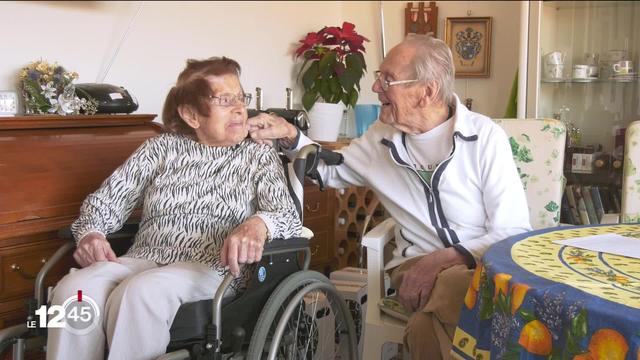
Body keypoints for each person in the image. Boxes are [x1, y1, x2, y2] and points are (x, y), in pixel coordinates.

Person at [248, 34, 532, 359]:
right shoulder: (380, 138)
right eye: (378, 77)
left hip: (482, 265)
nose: (375, 88)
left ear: (427, 91)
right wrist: (291, 135)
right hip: (412, 264)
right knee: (464, 291)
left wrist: (440, 261)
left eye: (388, 79)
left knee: (425, 325)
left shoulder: (484, 137)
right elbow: (330, 170)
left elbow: (513, 230)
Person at [47, 57, 302, 360]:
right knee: (74, 291)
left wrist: (257, 224)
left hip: (214, 268)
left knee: (141, 292)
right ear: (191, 114)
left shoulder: (257, 154)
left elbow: (286, 214)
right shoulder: (160, 148)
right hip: (145, 258)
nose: (239, 108)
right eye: (225, 99)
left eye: (240, 97)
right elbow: (105, 202)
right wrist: (91, 233)